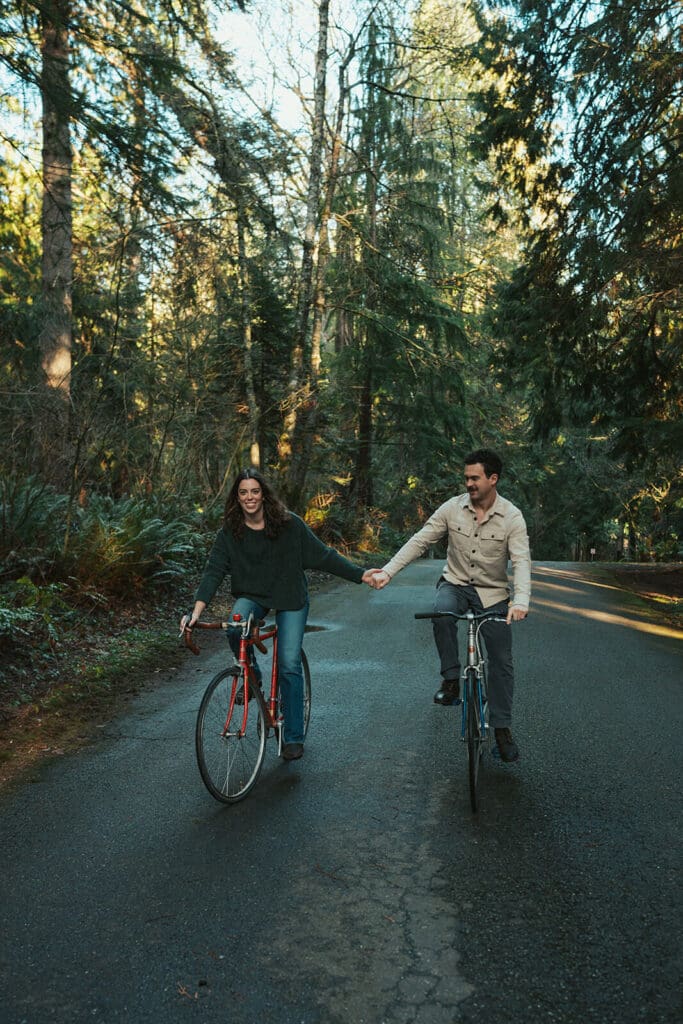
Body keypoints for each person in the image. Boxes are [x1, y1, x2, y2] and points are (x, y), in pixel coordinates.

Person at [181, 468, 380, 762]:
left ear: (264, 494)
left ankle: (293, 737)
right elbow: (213, 572)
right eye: (243, 492)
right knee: (235, 625)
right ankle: (252, 677)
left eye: (255, 491)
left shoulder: (289, 525)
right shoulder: (230, 532)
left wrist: (361, 574)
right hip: (253, 595)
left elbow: (324, 556)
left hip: (290, 597)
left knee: (288, 663)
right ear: (237, 498)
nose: (249, 498)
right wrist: (195, 613)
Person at [370, 449, 531, 762]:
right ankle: (451, 679)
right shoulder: (451, 508)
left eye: (475, 478)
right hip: (454, 584)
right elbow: (420, 540)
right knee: (442, 613)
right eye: (466, 477)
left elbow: (522, 561)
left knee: (501, 661)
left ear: (493, 479)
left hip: (493, 593)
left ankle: (501, 728)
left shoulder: (512, 516)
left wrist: (521, 601)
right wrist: (388, 571)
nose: (468, 483)